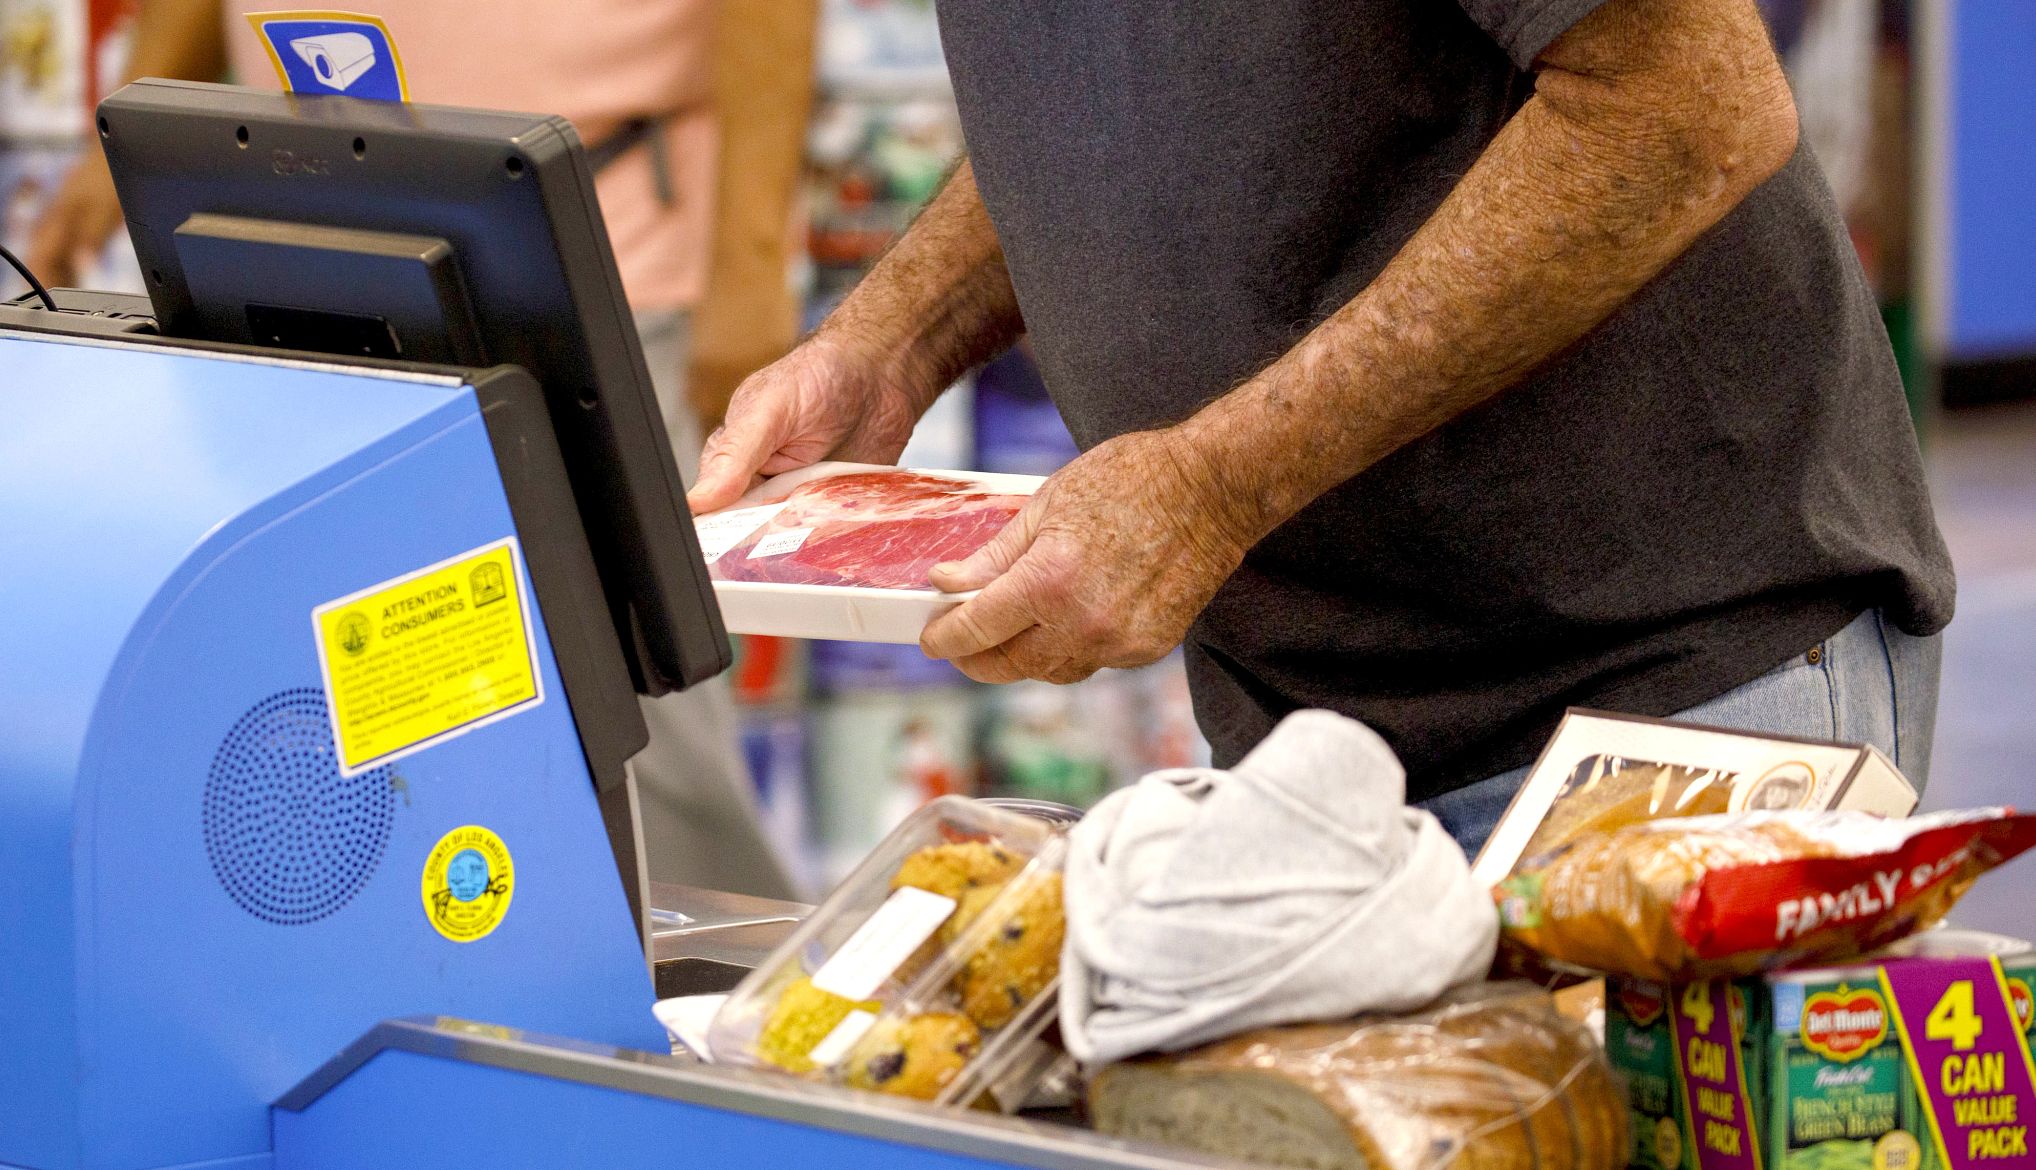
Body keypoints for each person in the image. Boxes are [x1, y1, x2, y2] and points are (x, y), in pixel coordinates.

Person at [689, 0, 1955, 852]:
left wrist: (1214, 483)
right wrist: (888, 339)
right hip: (1304, 720)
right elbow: (1134, 96)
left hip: (1658, 680)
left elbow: (1683, 110)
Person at [30, 0, 816, 897]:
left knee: (631, 703)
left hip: (592, 251)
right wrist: (125, 129)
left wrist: (750, 262)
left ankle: (742, 1014)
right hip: (298, 222)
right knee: (370, 688)